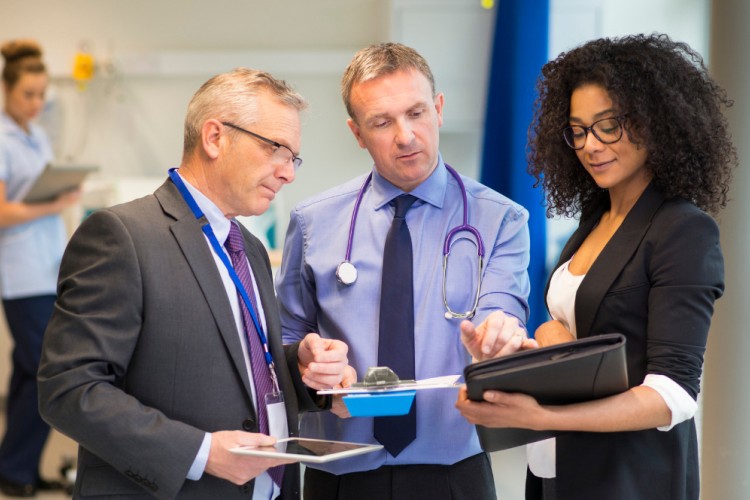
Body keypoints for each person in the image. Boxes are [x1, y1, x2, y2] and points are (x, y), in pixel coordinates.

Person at [37, 68, 352, 499]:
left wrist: (298, 368)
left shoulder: (250, 248)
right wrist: (201, 452)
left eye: (293, 157)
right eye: (275, 149)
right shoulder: (122, 236)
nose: (287, 173)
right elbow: (70, 389)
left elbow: (235, 366)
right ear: (215, 137)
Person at [455, 33, 737, 500]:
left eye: (608, 126)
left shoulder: (683, 230)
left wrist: (544, 416)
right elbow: (577, 330)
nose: (590, 145)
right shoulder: (594, 219)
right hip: (553, 472)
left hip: (630, 479)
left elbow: (674, 394)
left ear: (655, 123)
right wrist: (533, 346)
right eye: (579, 130)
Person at [275, 42, 531, 500]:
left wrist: (499, 333)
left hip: (454, 474)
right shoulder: (313, 222)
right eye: (381, 122)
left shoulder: (500, 219)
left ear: (438, 109)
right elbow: (285, 340)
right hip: (338, 474)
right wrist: (306, 357)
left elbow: (503, 308)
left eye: (416, 113)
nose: (405, 136)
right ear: (357, 133)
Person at [0, 39, 80, 497]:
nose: (36, 102)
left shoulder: (36, 134)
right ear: (8, 89)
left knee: (25, 373)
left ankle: (16, 469)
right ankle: (16, 469)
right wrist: (51, 202)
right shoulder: (4, 138)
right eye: (28, 94)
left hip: (45, 267)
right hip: (20, 273)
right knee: (41, 369)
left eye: (41, 94)